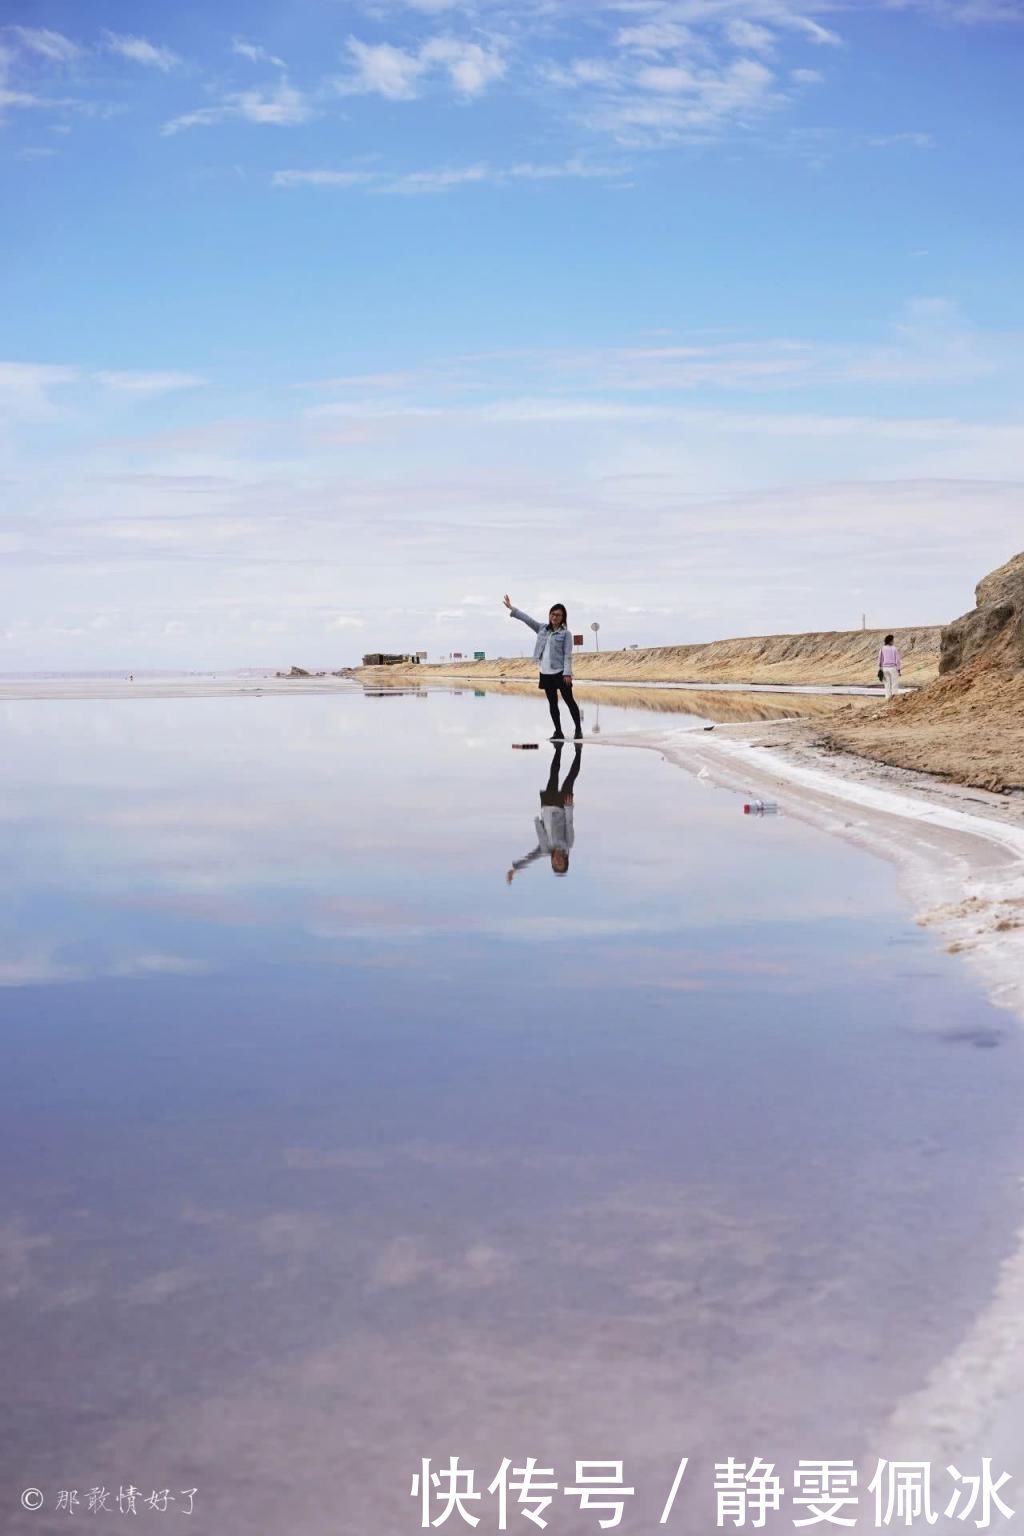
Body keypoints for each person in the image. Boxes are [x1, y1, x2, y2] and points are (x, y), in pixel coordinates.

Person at [503, 593, 583, 740]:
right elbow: (527, 619)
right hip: (545, 673)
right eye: (553, 614)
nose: (555, 617)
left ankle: (578, 729)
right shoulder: (541, 629)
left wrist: (567, 673)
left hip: (560, 673)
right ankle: (558, 731)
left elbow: (567, 655)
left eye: (558, 615)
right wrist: (512, 608)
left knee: (569, 701)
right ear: (549, 615)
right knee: (553, 704)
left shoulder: (566, 634)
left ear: (563, 618)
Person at [507, 743, 582, 881]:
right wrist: (569, 808)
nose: (557, 861)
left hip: (547, 805)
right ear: (566, 860)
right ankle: (578, 751)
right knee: (570, 777)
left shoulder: (544, 849)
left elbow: (530, 858)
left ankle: (558, 749)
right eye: (561, 863)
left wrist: (515, 868)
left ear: (552, 862)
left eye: (555, 864)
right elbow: (569, 823)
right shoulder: (568, 843)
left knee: (553, 774)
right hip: (561, 806)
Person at [877, 633, 902, 701]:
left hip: (885, 668)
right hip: (893, 668)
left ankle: (887, 698)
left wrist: (880, 668)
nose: (893, 641)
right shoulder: (894, 648)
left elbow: (880, 659)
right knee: (894, 684)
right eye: (893, 640)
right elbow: (897, 660)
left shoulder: (882, 648)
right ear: (890, 641)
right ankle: (894, 699)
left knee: (887, 684)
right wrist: (899, 669)